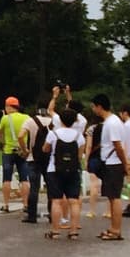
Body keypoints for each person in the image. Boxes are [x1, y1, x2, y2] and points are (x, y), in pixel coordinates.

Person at [42, 88, 87, 239]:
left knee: (56, 200)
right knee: (73, 200)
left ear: (60, 120)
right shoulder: (79, 136)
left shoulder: (53, 133)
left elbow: (46, 149)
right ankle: (73, 231)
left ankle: (55, 231)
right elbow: (80, 155)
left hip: (54, 169)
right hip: (73, 169)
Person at [90, 95, 130, 239]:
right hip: (112, 163)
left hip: (113, 164)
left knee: (115, 197)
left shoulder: (111, 123)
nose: (93, 109)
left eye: (94, 106)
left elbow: (118, 146)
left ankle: (116, 230)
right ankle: (113, 228)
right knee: (112, 197)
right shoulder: (113, 121)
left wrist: (125, 164)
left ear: (99, 106)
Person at [0, 96, 30, 214]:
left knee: (6, 179)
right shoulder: (26, 117)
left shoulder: (5, 118)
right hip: (22, 150)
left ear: (8, 107)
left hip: (8, 151)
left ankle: (6, 204)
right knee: (24, 179)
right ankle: (25, 204)